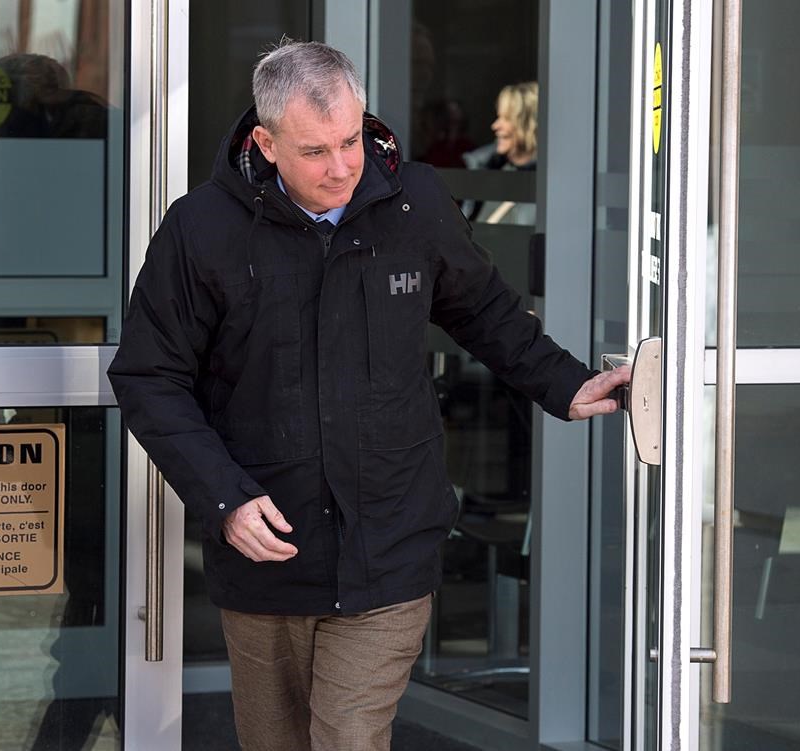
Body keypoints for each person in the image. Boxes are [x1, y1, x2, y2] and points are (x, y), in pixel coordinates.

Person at [108, 40, 629, 751]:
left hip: (391, 543)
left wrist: (564, 383)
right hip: (268, 552)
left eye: (350, 141)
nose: (342, 167)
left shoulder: (415, 203)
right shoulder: (201, 229)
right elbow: (149, 375)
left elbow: (485, 311)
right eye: (315, 150)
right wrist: (224, 498)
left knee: (349, 736)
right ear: (266, 143)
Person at [462, 81, 539, 224]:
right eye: (498, 117)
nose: (495, 126)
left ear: (529, 124)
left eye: (507, 118)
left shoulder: (546, 182)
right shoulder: (488, 171)